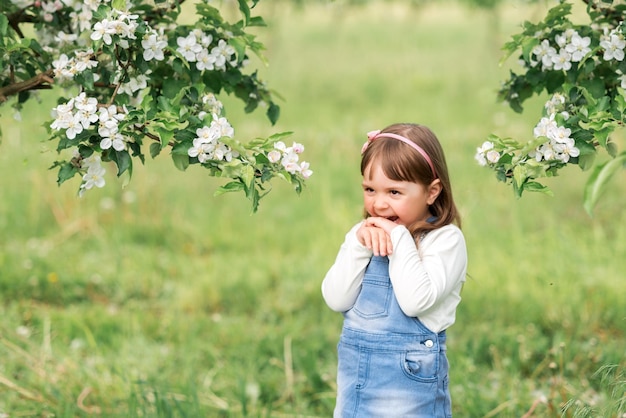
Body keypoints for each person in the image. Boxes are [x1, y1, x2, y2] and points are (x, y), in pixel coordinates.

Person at [321, 123, 467, 417]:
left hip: (410, 389)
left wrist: (399, 238)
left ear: (431, 192)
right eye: (369, 189)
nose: (378, 203)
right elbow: (337, 299)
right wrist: (360, 244)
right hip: (356, 381)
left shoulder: (445, 240)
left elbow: (416, 302)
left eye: (394, 192)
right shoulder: (362, 236)